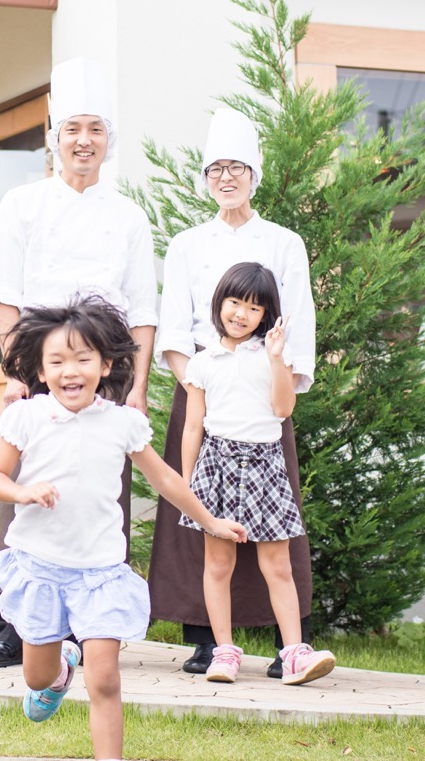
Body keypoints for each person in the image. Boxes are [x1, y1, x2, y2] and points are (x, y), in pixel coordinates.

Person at [0, 298, 247, 760]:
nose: (72, 370)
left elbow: (165, 478)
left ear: (105, 365)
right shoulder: (25, 417)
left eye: (84, 358)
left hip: (100, 572)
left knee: (105, 678)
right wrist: (23, 493)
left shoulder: (123, 423)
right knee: (36, 678)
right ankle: (60, 668)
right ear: (41, 372)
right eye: (58, 361)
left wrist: (211, 522)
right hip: (40, 566)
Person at [0, 57, 158, 669]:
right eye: (73, 129)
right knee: (24, 483)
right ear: (54, 138)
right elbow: (4, 295)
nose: (84, 141)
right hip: (39, 362)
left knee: (103, 486)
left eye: (96, 130)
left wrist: (137, 389)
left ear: (109, 142)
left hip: (108, 365)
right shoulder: (23, 204)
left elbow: (143, 310)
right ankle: (12, 621)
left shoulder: (129, 216)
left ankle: (93, 620)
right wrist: (18, 376)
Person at [150, 106, 319, 676]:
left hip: (265, 396)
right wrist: (203, 379)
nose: (226, 178)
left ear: (255, 175)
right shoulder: (185, 243)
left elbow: (299, 322)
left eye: (237, 168)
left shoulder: (284, 241)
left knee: (277, 529)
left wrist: (273, 379)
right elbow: (174, 325)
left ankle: (287, 646)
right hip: (204, 387)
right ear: (205, 178)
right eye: (216, 168)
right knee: (201, 527)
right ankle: (206, 640)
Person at [179, 261, 335, 685]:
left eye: (253, 308)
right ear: (220, 303)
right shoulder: (203, 361)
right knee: (217, 565)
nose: (241, 314)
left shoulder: (273, 356)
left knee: (278, 565)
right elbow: (194, 425)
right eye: (235, 302)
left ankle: (294, 656)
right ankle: (224, 652)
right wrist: (187, 483)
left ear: (266, 315)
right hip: (216, 463)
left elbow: (284, 410)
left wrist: (278, 359)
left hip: (266, 462)